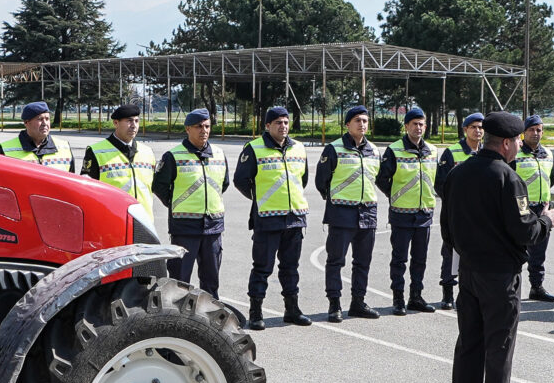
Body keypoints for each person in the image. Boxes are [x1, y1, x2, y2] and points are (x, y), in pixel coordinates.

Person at [443, 111, 539, 383]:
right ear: (507, 143)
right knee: (499, 346)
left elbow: (447, 229)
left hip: (468, 270)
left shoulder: (458, 173)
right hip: (500, 275)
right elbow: (525, 231)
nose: (519, 147)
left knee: (469, 341)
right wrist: (546, 221)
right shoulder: (508, 178)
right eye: (518, 142)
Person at [232, 104, 312, 331]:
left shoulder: (298, 148)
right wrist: (260, 199)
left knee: (291, 268)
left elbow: (302, 179)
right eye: (278, 123)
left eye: (286, 122)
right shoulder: (254, 148)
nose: (283, 126)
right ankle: (256, 312)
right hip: (267, 219)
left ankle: (292, 309)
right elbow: (240, 181)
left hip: (294, 218)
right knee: (262, 268)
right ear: (267, 125)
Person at [314, 102, 382, 322]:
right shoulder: (334, 149)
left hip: (367, 214)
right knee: (336, 261)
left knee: (363, 262)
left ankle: (358, 302)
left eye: (365, 121)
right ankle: (334, 304)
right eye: (357, 121)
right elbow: (321, 181)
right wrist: (336, 200)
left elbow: (378, 179)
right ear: (347, 124)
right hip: (341, 214)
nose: (362, 124)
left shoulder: (374, 150)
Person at [152, 107, 226, 296]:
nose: (204, 130)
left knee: (211, 280)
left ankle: (210, 312)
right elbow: (159, 186)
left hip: (213, 227)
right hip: (184, 228)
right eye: (198, 126)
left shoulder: (219, 154)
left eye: (207, 126)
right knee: (179, 281)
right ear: (187, 129)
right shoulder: (173, 156)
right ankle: (176, 314)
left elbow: (223, 184)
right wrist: (176, 203)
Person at [376, 105, 439, 314]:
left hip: (424, 214)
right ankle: (398, 298)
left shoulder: (432, 151)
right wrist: (395, 195)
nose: (418, 128)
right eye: (414, 124)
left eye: (421, 124)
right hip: (401, 214)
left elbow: (437, 180)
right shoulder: (394, 150)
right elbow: (382, 179)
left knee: (420, 259)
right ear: (406, 126)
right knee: (399, 259)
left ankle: (416, 297)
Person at [434, 113, 487, 309]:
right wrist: (457, 204)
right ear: (465, 130)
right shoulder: (452, 152)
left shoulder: (486, 152)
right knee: (451, 254)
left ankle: (475, 293)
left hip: (480, 215)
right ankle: (447, 293)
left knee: (479, 255)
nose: (478, 130)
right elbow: (441, 184)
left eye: (480, 127)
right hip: (457, 214)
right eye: (473, 127)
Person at [515, 115, 554, 301]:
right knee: (517, 251)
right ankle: (512, 288)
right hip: (521, 209)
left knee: (539, 253)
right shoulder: (516, 153)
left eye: (539, 130)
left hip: (542, 210)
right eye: (531, 130)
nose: (535, 133)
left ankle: (537, 287)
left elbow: (553, 177)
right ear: (523, 132)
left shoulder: (548, 154)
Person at [81, 101, 156, 216]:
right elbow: (86, 190)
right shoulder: (96, 151)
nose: (134, 125)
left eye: (136, 121)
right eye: (129, 121)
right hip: (112, 218)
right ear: (116, 123)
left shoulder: (147, 152)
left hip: (143, 220)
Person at [0, 100, 75, 171]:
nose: (45, 123)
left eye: (47, 119)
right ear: (26, 122)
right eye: (40, 119)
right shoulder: (4, 150)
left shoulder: (64, 148)